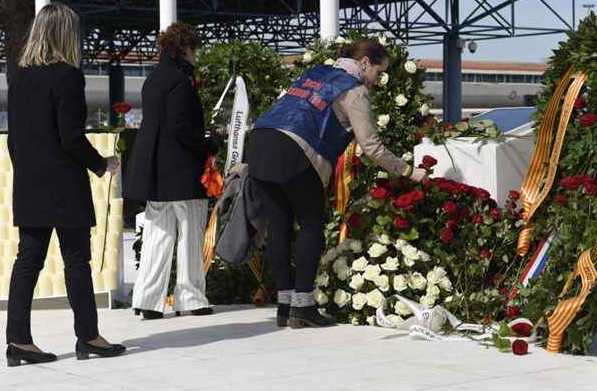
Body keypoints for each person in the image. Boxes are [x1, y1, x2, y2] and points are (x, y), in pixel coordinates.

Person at [249, 38, 427, 329]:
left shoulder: (314, 73)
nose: (377, 81)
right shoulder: (354, 90)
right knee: (310, 224)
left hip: (260, 141)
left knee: (278, 224)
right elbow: (371, 146)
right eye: (378, 73)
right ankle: (303, 308)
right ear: (365, 63)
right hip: (294, 149)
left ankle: (285, 306)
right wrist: (408, 171)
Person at [6, 3, 126, 366]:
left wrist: (28, 171)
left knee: (27, 261)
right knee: (76, 261)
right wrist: (102, 164)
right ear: (65, 33)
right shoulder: (68, 76)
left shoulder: (20, 75)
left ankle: (18, 342)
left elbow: (16, 139)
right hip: (63, 184)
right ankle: (89, 337)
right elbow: (71, 138)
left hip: (29, 183)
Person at [126, 22, 217, 320]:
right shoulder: (180, 81)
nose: (196, 57)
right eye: (195, 50)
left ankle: (147, 300)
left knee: (157, 235)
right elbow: (180, 127)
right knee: (190, 234)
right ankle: (190, 298)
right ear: (185, 49)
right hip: (181, 171)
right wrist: (208, 144)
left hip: (155, 171)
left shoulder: (152, 80)